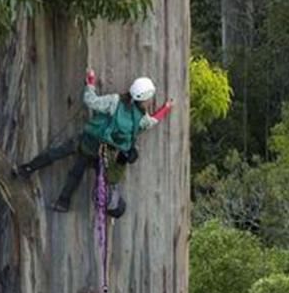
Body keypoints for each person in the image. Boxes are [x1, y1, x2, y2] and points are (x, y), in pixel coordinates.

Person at [13, 69, 172, 213]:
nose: (150, 102)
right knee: (77, 174)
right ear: (143, 99)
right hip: (104, 155)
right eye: (149, 99)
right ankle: (63, 203)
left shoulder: (115, 101)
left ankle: (27, 170)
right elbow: (151, 122)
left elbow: (91, 101)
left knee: (56, 154)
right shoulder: (140, 119)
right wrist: (166, 108)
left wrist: (90, 83)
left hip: (89, 140)